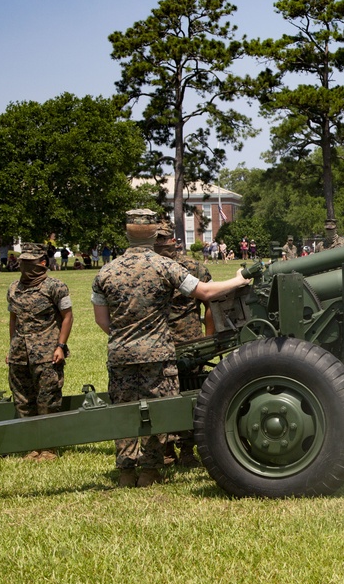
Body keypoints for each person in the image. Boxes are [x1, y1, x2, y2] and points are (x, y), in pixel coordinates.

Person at [92, 209, 252, 488]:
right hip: (158, 352)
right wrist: (239, 279)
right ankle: (150, 471)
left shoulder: (106, 271)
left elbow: (101, 320)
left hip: (120, 353)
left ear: (127, 233)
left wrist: (127, 338)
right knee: (158, 410)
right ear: (154, 235)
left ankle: (127, 472)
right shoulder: (165, 266)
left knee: (124, 410)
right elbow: (205, 292)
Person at [154, 222, 214, 468]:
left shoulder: (193, 267)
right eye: (155, 240)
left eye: (163, 240)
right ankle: (166, 450)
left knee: (191, 394)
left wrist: (208, 341)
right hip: (158, 342)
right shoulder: (149, 268)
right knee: (160, 394)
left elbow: (211, 305)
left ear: (173, 241)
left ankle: (188, 451)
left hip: (190, 340)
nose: (160, 245)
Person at [6, 242, 73, 461]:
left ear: (42, 262)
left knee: (47, 400)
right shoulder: (14, 288)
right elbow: (13, 319)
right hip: (20, 353)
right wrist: (11, 347)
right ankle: (31, 446)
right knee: (23, 400)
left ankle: (48, 447)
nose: (24, 266)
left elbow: (67, 317)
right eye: (22, 262)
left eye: (29, 263)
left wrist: (60, 346)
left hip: (46, 353)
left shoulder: (56, 286)